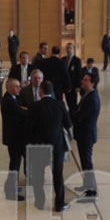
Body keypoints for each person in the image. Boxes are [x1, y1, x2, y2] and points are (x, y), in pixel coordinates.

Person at [26, 80, 72, 212]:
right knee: (58, 174)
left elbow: (28, 128)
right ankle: (59, 204)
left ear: (41, 91)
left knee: (39, 175)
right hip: (57, 146)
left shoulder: (34, 106)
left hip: (39, 146)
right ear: (52, 92)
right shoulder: (60, 104)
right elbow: (68, 124)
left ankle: (40, 202)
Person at [72, 72, 101, 198]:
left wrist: (68, 116)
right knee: (84, 162)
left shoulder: (92, 99)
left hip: (86, 135)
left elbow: (79, 116)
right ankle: (87, 184)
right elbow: (77, 110)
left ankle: (92, 190)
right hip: (83, 134)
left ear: (92, 83)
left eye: (85, 80)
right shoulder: (87, 95)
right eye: (83, 79)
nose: (82, 81)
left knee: (87, 162)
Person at [1, 78, 28, 201]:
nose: (19, 88)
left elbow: (20, 108)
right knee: (15, 164)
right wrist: (30, 110)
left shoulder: (12, 98)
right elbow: (21, 113)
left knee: (15, 163)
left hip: (16, 137)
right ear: (9, 87)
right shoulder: (8, 101)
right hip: (14, 139)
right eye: (16, 86)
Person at [62, 42, 82, 112]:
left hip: (73, 86)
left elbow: (79, 74)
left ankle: (73, 116)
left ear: (73, 49)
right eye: (67, 48)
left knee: (73, 104)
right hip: (65, 85)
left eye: (70, 48)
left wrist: (78, 86)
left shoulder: (77, 60)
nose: (68, 50)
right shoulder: (63, 59)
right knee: (67, 101)